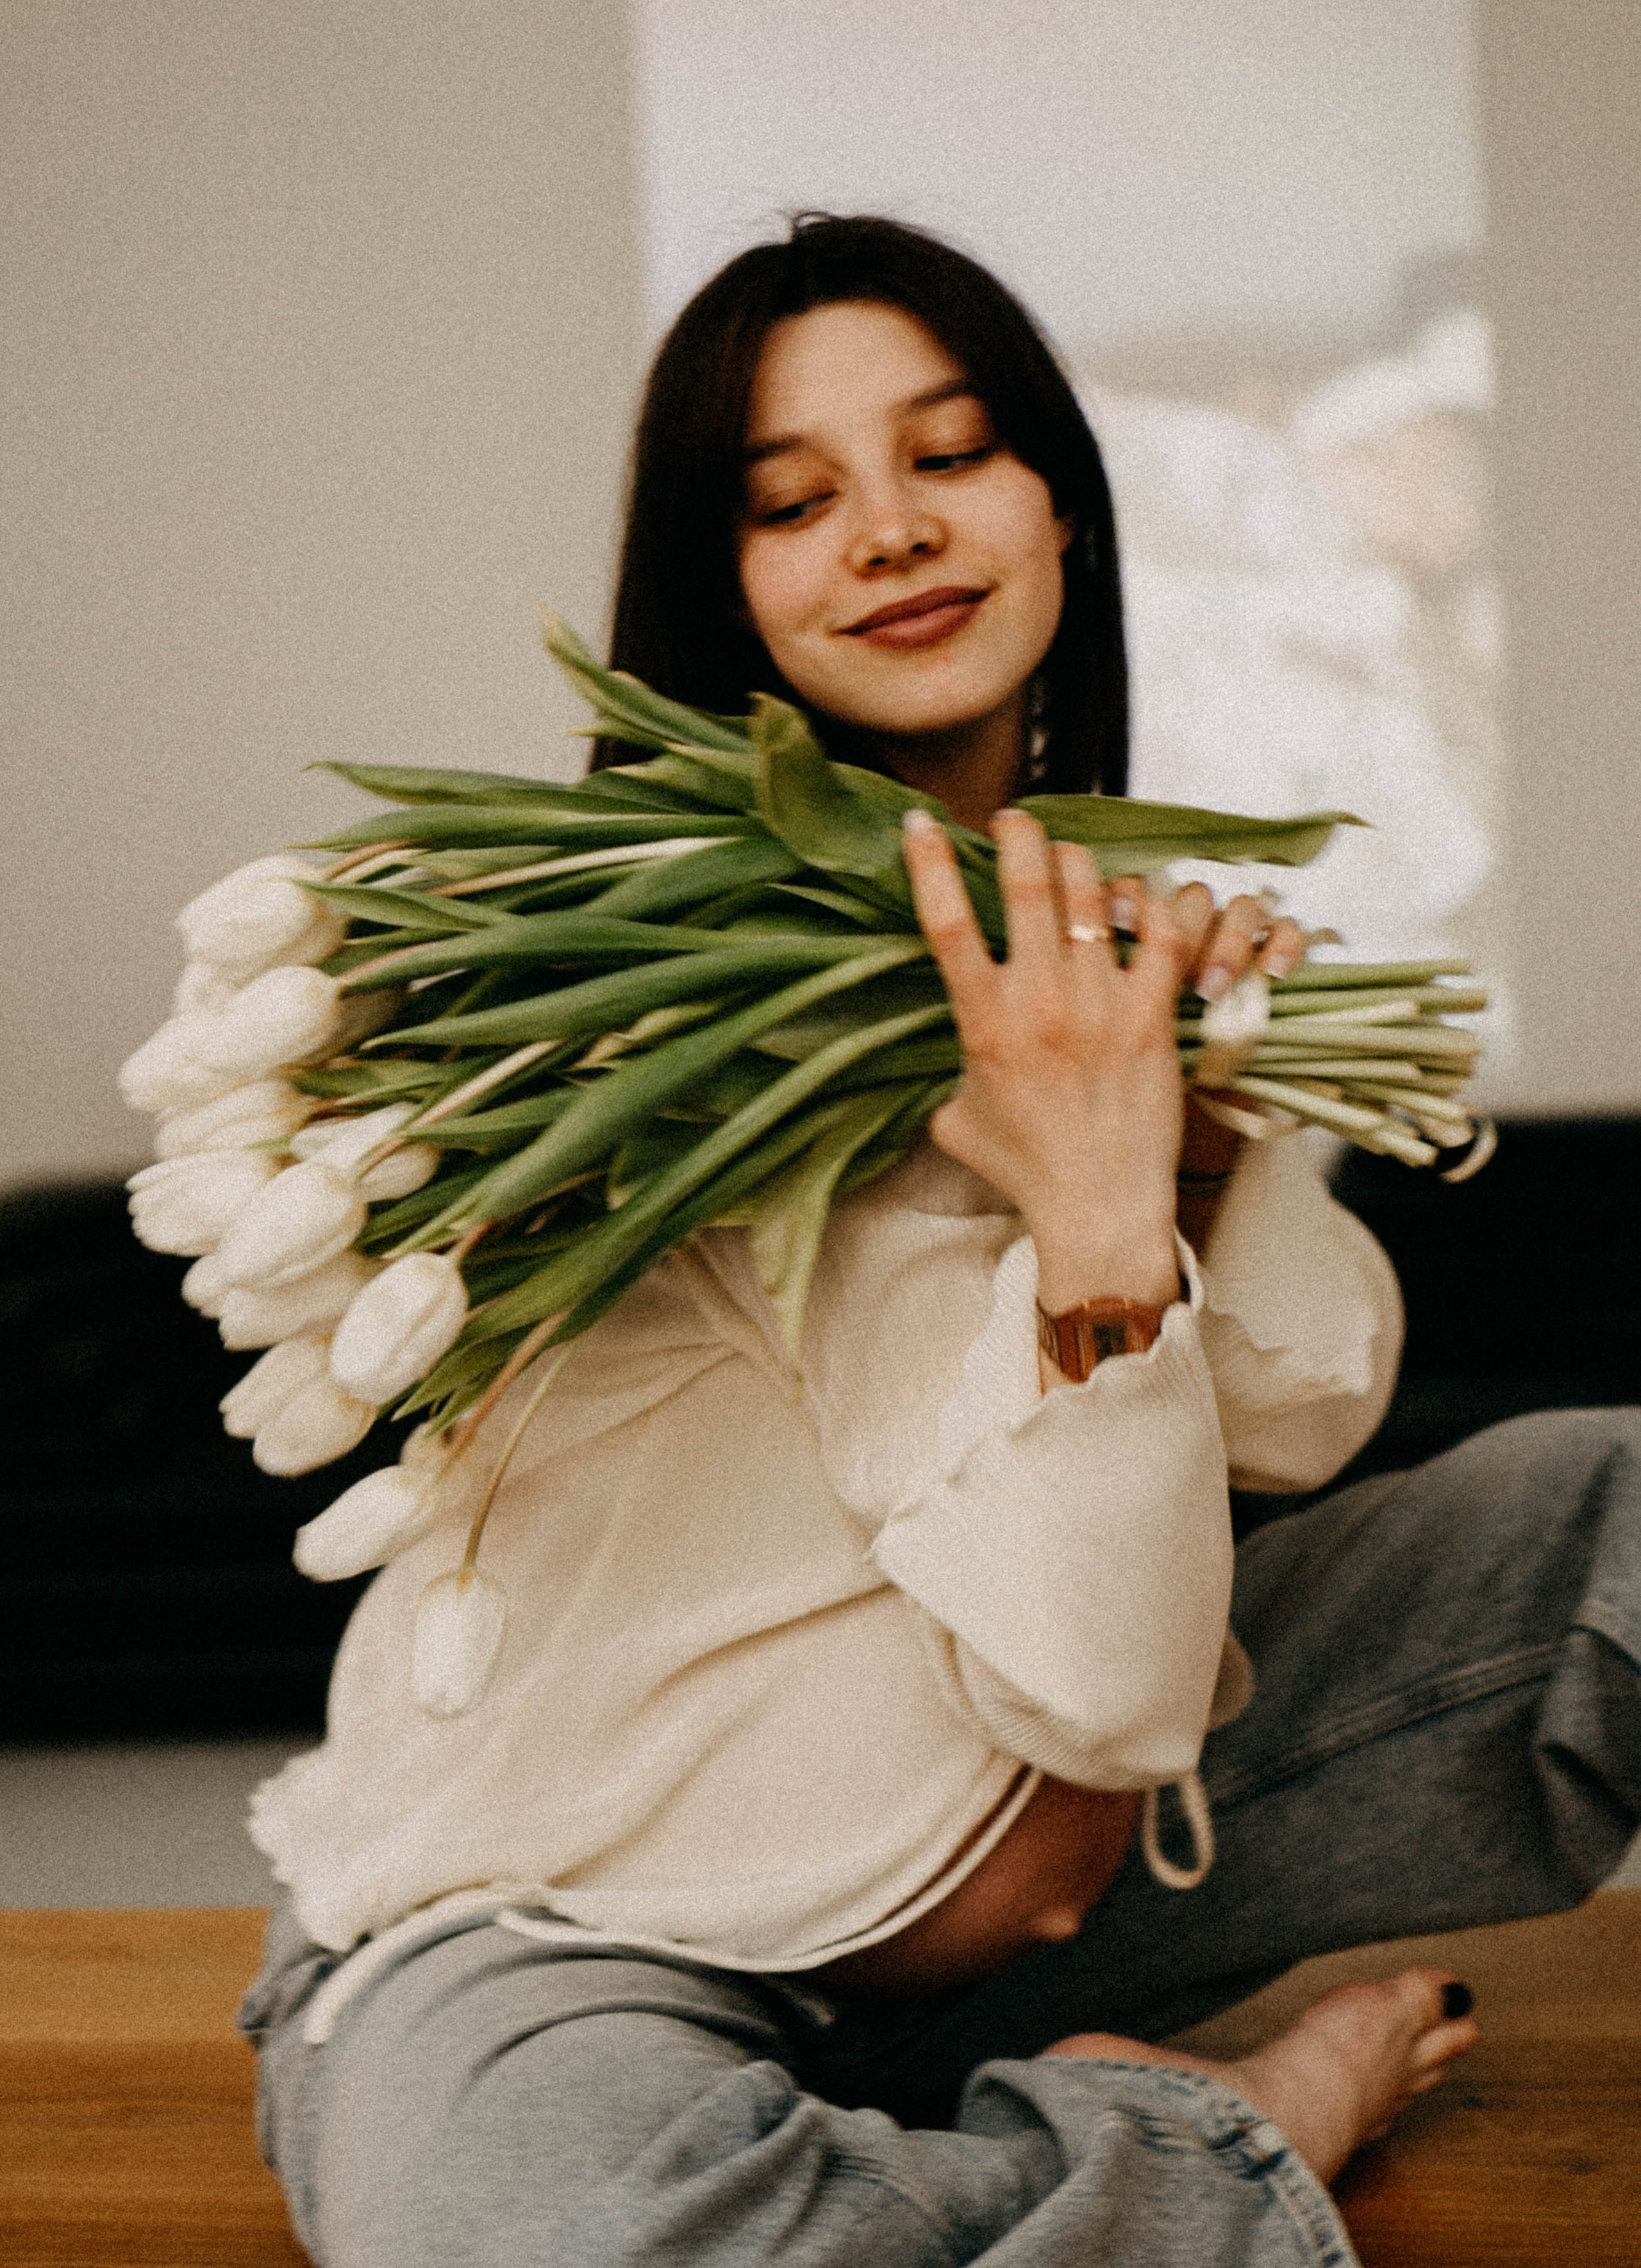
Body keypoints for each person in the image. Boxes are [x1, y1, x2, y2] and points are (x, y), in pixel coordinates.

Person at [242, 216, 1641, 2267]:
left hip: (1058, 1877)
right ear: (723, 592)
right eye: (793, 502)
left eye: (952, 454)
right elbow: (1086, 1676)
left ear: (1061, 504)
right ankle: (1207, 2147)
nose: (887, 533)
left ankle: (966, 2143)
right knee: (538, 2233)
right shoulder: (675, 1014)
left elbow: (1296, 1425)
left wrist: (1186, 1142)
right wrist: (1084, 1202)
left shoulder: (1064, 935)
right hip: (607, 1938)